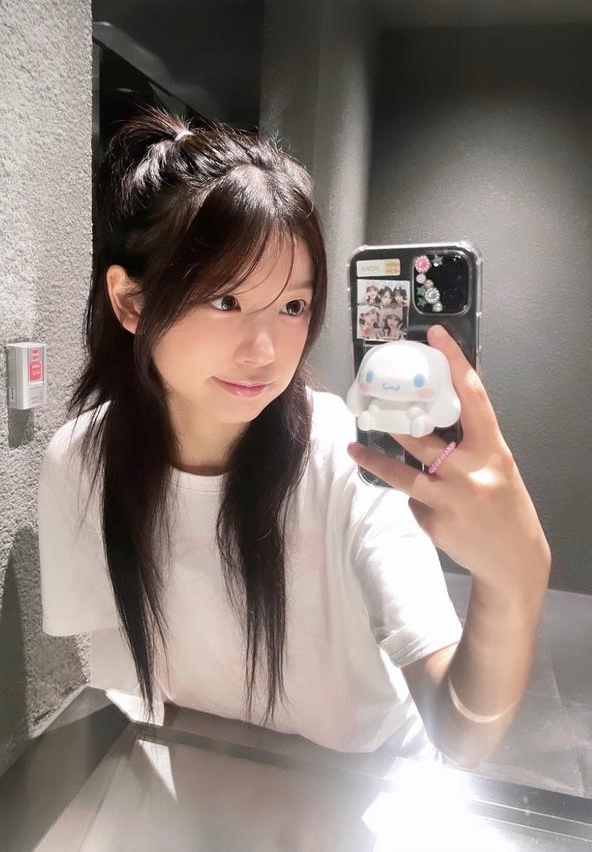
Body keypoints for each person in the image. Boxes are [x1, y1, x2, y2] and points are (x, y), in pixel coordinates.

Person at [37, 105, 551, 768]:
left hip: (369, 784)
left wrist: (513, 583)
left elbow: (460, 734)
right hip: (214, 773)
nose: (265, 351)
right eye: (225, 300)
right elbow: (132, 682)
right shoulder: (80, 463)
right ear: (131, 302)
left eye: (293, 306)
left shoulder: (351, 459)